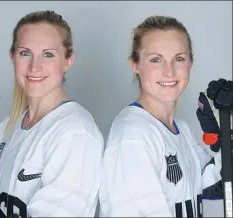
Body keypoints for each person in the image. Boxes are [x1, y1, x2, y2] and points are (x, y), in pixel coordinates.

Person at [0, 10, 104, 218]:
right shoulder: (13, 125)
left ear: (68, 60)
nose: (34, 66)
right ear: (13, 57)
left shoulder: (76, 134)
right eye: (25, 53)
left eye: (48, 54)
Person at [98, 15, 233, 217]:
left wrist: (226, 133)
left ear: (190, 63)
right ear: (135, 65)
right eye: (156, 59)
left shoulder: (181, 129)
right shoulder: (133, 136)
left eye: (179, 59)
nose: (169, 71)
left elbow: (215, 185)